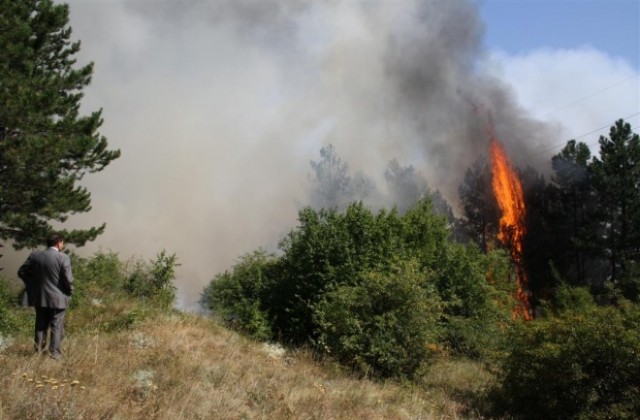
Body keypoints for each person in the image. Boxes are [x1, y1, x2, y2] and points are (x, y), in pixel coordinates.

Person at [18, 233, 74, 359]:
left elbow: (22, 272)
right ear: (59, 243)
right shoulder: (63, 257)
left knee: (40, 325)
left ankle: (38, 353)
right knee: (57, 326)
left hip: (40, 297)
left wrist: (33, 284)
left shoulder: (35, 255)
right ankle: (54, 355)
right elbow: (68, 279)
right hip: (58, 298)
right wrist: (69, 291)